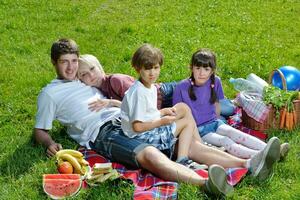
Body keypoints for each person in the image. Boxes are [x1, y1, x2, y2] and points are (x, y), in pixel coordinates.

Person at [34, 38, 280, 196]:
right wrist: (48, 143)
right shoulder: (50, 93)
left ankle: (249, 164)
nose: (71, 68)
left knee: (187, 139)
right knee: (148, 153)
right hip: (102, 132)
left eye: (74, 61)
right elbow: (40, 130)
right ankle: (206, 183)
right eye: (64, 62)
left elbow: (115, 86)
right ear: (54, 63)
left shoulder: (84, 78)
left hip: (124, 117)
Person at [172, 48, 290, 159]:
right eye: (197, 68)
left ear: (212, 70)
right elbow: (178, 115)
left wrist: (218, 119)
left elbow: (217, 104)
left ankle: (273, 149)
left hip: (214, 122)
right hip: (198, 130)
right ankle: (261, 156)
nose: (201, 73)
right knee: (225, 141)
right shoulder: (182, 87)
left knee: (234, 132)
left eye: (206, 69)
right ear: (191, 67)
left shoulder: (215, 81)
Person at [77, 54, 235, 117]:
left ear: (99, 66)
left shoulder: (116, 80)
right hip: (159, 104)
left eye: (92, 69)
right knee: (202, 111)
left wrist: (111, 102)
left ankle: (236, 102)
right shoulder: (98, 89)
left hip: (164, 94)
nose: (90, 75)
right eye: (83, 74)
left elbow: (137, 102)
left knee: (224, 108)